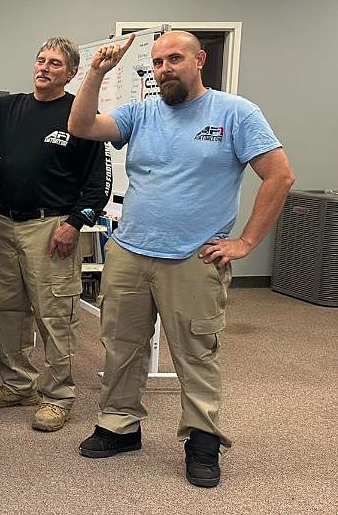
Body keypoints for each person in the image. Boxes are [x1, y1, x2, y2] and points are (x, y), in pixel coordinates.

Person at [68, 30, 294, 487]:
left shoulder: (236, 112)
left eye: (174, 59)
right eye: (157, 62)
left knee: (196, 351)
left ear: (199, 60)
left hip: (194, 257)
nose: (164, 68)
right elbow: (82, 127)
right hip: (131, 251)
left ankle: (203, 440)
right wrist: (95, 73)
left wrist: (245, 243)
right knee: (122, 345)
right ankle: (119, 424)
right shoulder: (143, 112)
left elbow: (279, 176)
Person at [0, 26, 110, 432]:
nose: (45, 68)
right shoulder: (8, 107)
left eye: (55, 64)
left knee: (55, 314)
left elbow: (98, 184)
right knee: (7, 308)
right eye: (41, 61)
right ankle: (18, 383)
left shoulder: (82, 117)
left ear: (71, 73)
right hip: (3, 223)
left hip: (51, 226)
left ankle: (58, 395)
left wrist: (75, 222)